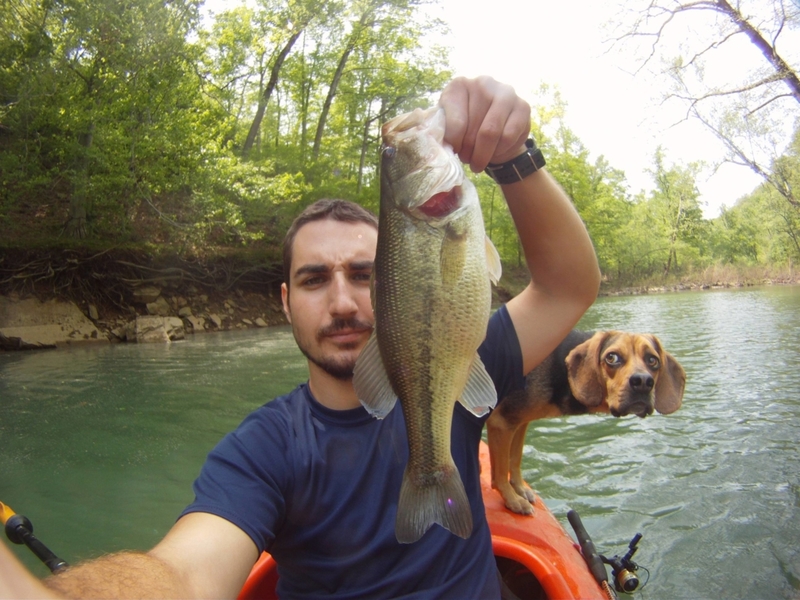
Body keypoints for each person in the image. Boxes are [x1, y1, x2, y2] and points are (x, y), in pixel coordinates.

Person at [0, 75, 600, 599]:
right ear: (286, 302)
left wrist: (512, 155)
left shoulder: (464, 351)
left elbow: (570, 286)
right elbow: (182, 575)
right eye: (314, 280)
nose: (342, 301)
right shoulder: (266, 450)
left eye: (365, 275)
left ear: (392, 282)